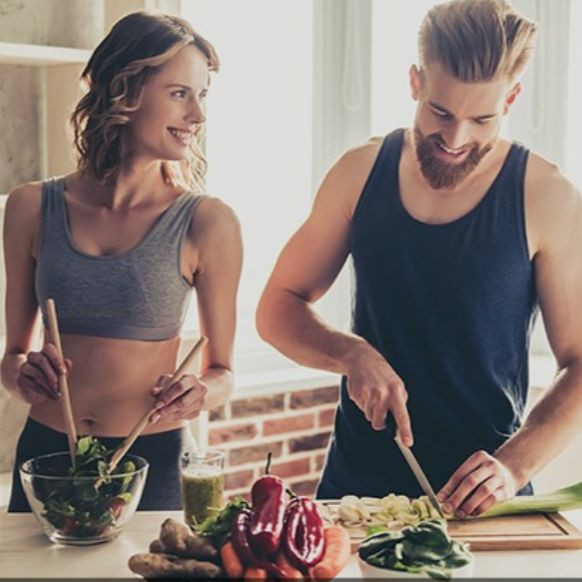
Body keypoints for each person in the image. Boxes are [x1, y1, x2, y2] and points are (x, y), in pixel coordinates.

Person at [256, 0, 582, 518]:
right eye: (440, 112)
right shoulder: (359, 171)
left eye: (482, 119)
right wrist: (350, 353)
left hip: (482, 502)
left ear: (512, 98)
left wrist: (513, 466)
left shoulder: (547, 194)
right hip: (354, 496)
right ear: (415, 81)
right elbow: (277, 306)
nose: (456, 139)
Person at [2, 11, 242, 511]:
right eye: (180, 94)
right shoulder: (29, 207)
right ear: (124, 91)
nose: (198, 116)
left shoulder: (208, 223)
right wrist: (22, 374)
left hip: (151, 462)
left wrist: (199, 392)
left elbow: (222, 372)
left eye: (202, 96)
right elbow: (12, 360)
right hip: (46, 456)